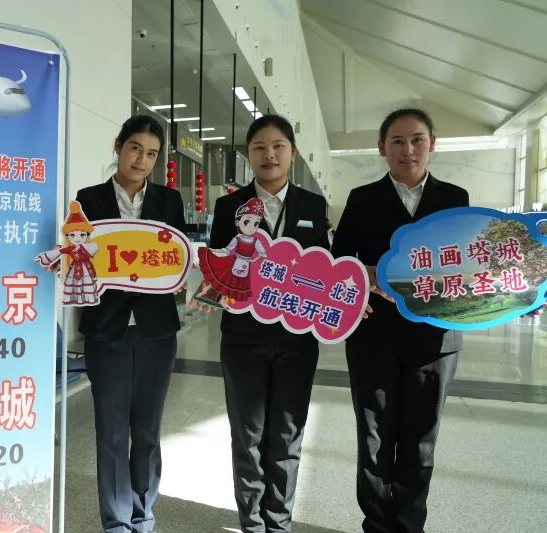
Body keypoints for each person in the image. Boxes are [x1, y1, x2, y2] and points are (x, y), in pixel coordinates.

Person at [331, 108, 469, 533]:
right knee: (374, 437)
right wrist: (364, 276)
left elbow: (468, 262)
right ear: (381, 148)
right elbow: (340, 262)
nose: (408, 149)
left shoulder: (455, 199)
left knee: (420, 440)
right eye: (397, 141)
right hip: (374, 336)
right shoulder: (361, 199)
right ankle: (376, 525)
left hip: (435, 340)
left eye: (417, 140)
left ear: (432, 144)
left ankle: (410, 526)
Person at [207, 114, 329, 532]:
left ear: (292, 152)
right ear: (249, 155)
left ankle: (278, 522)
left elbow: (326, 267)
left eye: (278, 146)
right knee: (248, 435)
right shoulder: (230, 207)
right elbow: (219, 265)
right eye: (260, 147)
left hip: (298, 340)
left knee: (287, 435)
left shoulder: (313, 206)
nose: (269, 154)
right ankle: (252, 523)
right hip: (243, 339)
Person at [75, 115, 185, 533]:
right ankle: (117, 521)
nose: (142, 160)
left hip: (157, 330)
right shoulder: (88, 200)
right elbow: (77, 257)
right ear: (119, 146)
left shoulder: (169, 201)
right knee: (111, 431)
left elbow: (177, 259)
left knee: (148, 430)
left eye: (152, 153)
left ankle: (143, 513)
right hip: (108, 330)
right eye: (135, 148)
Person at [36, 200, 100, 305]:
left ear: (87, 235)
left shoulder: (88, 247)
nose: (77, 238)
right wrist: (47, 258)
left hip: (86, 267)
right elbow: (59, 252)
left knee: (86, 283)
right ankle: (77, 298)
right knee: (73, 283)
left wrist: (78, 247)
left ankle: (87, 298)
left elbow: (95, 247)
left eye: (82, 235)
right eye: (72, 235)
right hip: (74, 267)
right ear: (68, 236)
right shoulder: (88, 198)